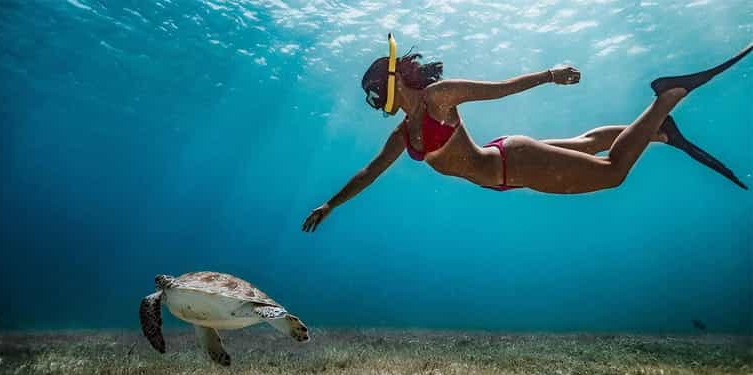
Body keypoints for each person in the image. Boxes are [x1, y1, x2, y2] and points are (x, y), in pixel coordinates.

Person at [302, 34, 751, 232]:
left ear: (389, 85)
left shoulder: (438, 97)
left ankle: (665, 99)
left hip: (511, 163)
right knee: (585, 144)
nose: (373, 98)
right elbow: (369, 172)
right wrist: (331, 203)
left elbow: (501, 90)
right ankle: (659, 133)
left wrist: (550, 74)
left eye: (374, 90)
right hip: (506, 160)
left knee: (612, 171)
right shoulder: (404, 133)